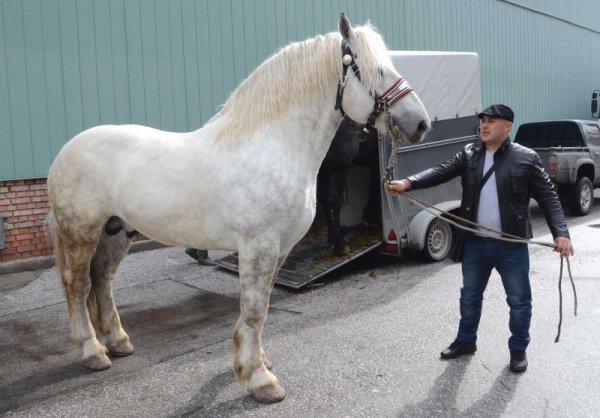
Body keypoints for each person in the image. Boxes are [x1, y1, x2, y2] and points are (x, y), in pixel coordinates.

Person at [385, 104, 574, 373]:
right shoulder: (469, 154)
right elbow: (440, 171)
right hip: (475, 244)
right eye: (482, 121)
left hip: (512, 246)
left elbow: (549, 198)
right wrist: (408, 183)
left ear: (507, 127)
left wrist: (561, 234)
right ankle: (466, 341)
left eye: (491, 121)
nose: (484, 125)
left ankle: (518, 349)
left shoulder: (527, 158)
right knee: (470, 296)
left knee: (519, 301)